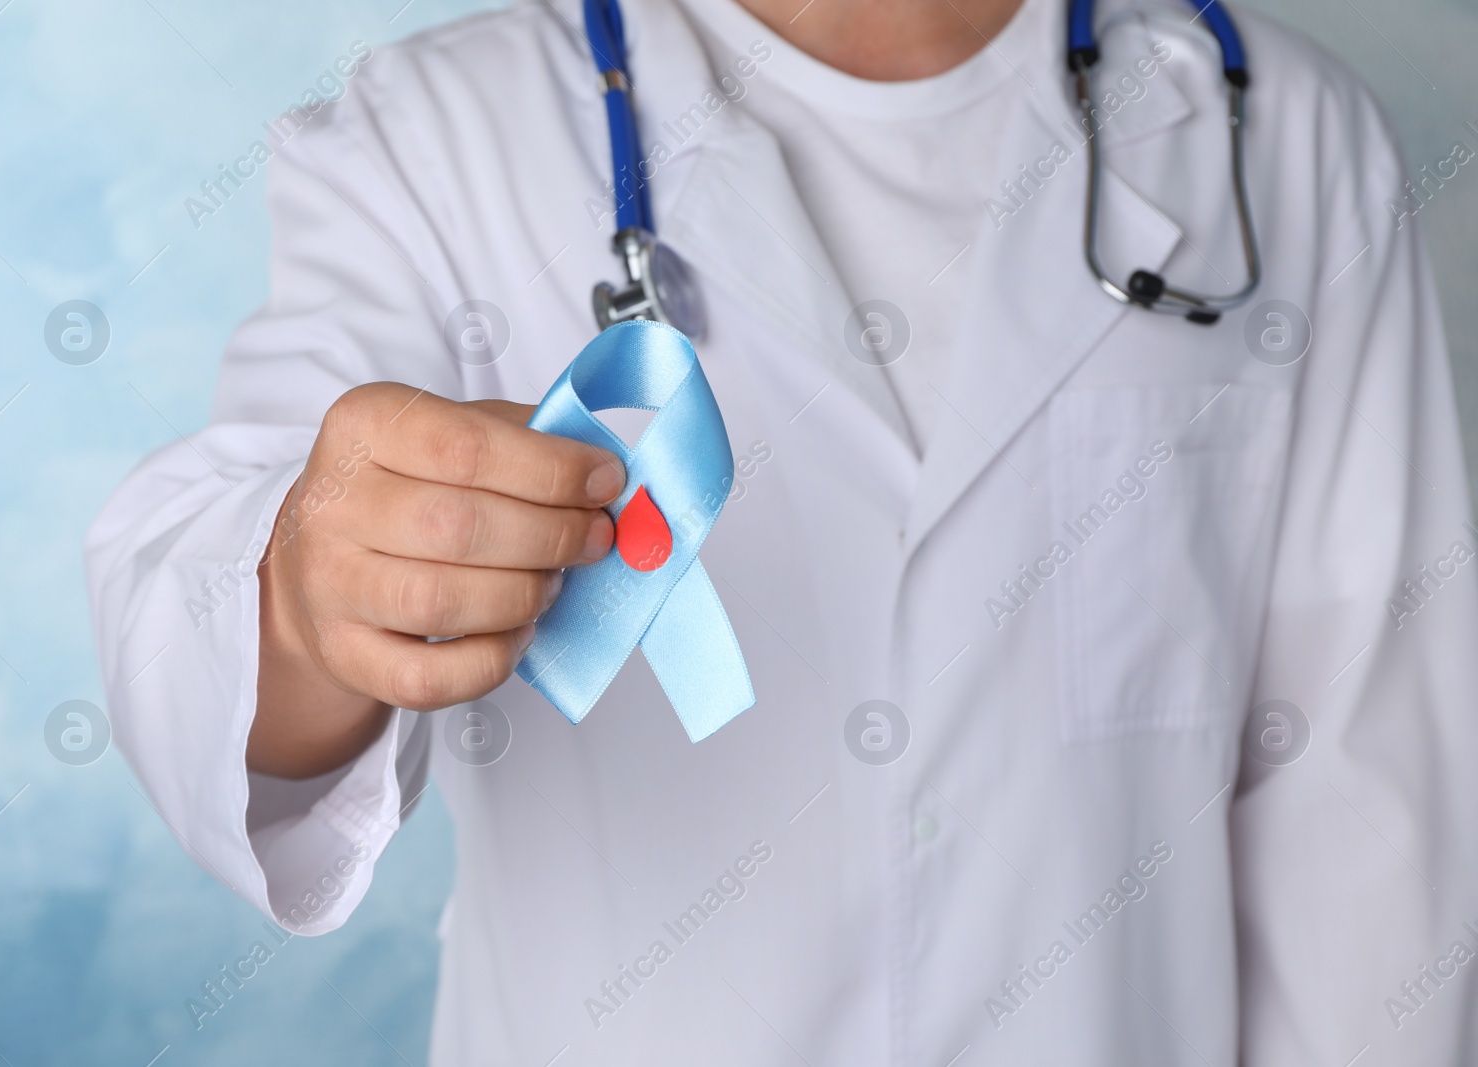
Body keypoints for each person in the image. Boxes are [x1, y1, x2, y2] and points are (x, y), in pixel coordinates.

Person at [85, 0, 1478, 1060]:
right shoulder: (438, 139)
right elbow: (203, 612)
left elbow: (1374, 826)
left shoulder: (1282, 142)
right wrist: (307, 599)